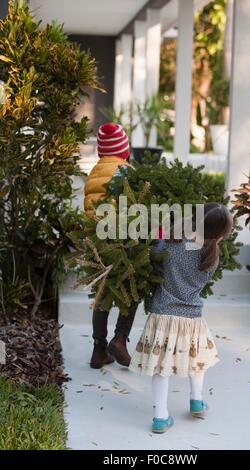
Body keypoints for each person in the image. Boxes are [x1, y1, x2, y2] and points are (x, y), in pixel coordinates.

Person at [129, 203, 233, 433]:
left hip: (163, 315)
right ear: (220, 235)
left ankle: (160, 417)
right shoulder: (211, 257)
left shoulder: (173, 245)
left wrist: (160, 233)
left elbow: (155, 251)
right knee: (198, 361)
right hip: (191, 318)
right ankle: (197, 401)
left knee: (160, 368)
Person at [84, 122, 137, 369]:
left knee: (102, 295)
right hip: (121, 242)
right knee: (130, 290)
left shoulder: (94, 172)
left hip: (97, 242)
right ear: (124, 149)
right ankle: (120, 339)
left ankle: (98, 349)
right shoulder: (125, 172)